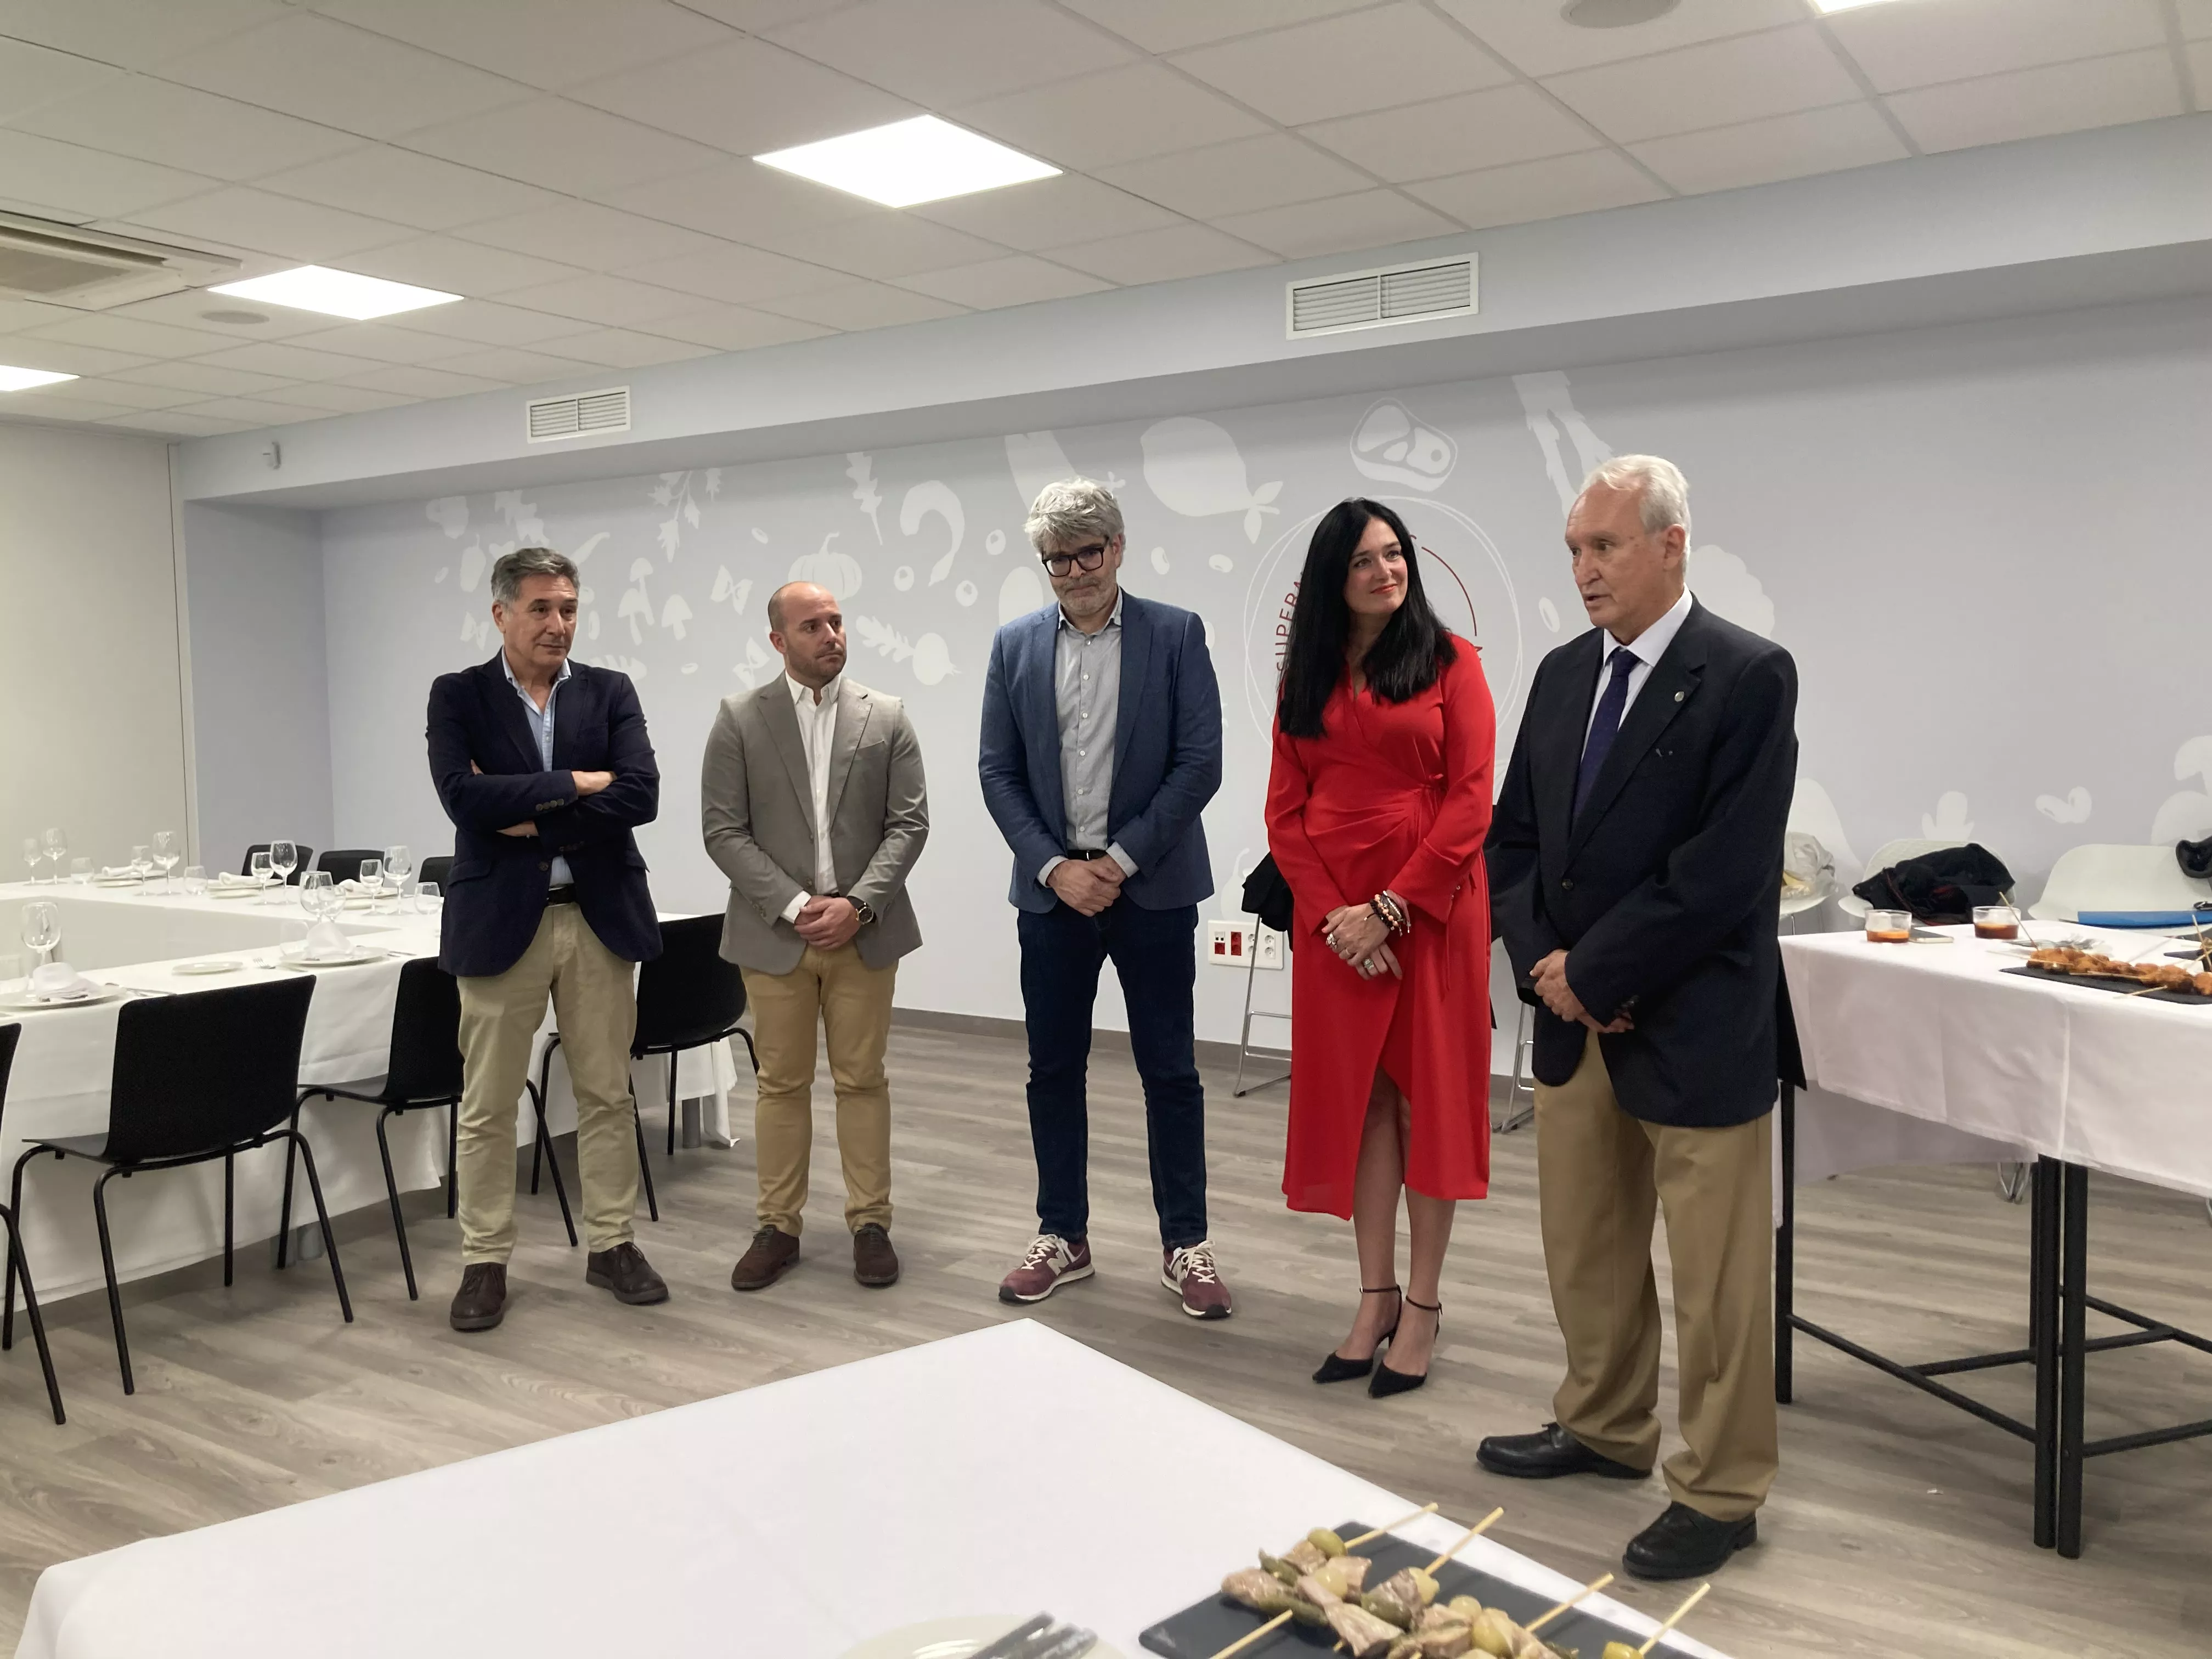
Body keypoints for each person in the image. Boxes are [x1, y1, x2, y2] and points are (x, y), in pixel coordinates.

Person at [1481, 456, 1797, 1581]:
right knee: (1590, 1249)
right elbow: (1513, 840)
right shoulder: (1566, 675)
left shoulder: (1748, 677)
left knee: (1716, 1285)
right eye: (1573, 550)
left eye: (1604, 548)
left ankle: (1720, 1489)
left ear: (1671, 545)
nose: (1583, 571)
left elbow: (1721, 872)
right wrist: (1543, 966)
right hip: (1576, 1024)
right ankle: (1607, 1426)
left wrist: (1594, 970)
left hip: (1694, 1023)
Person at [979, 478, 1231, 1318]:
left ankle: (1185, 1244)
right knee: (1053, 1068)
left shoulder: (1175, 634)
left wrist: (1118, 861)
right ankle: (1064, 1235)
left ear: (1118, 548)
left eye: (1090, 552)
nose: (1076, 570)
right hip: (1053, 895)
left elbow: (1200, 763)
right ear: (1044, 565)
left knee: (1171, 1070)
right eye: (1059, 558)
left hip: (1150, 889)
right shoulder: (1015, 646)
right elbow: (998, 771)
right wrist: (1057, 868)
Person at [1265, 499, 1495, 1397]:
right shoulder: (1306, 677)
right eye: (1365, 560)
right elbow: (1285, 813)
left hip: (1429, 913)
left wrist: (1390, 911)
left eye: (1395, 554)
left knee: (1422, 1107)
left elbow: (1473, 801)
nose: (1386, 572)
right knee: (1360, 1107)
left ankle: (1426, 1309)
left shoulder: (1451, 663)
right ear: (1335, 576)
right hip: (1335, 927)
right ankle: (1374, 1298)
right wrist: (1334, 917)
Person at [425, 545, 668, 1334]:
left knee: (606, 1093)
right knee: (490, 1103)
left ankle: (612, 1244)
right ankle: (485, 1259)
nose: (558, 624)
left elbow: (642, 793)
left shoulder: (609, 691)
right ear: (501, 613)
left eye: (567, 608)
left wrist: (527, 809)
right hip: (501, 924)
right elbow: (463, 799)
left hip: (597, 918)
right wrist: (574, 782)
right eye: (540, 609)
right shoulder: (459, 695)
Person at [701, 581, 929, 1293]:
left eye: (836, 622)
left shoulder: (886, 716)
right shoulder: (739, 719)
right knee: (782, 1085)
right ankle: (779, 1226)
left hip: (864, 934)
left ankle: (870, 1222)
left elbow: (909, 825)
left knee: (863, 1081)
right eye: (812, 626)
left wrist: (856, 905)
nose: (831, 634)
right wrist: (798, 904)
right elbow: (722, 830)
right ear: (778, 641)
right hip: (777, 938)